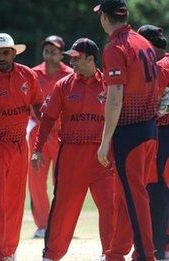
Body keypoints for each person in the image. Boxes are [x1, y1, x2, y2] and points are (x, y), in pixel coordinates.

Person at [31, 38, 115, 260]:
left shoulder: (109, 84)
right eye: (71, 58)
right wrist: (37, 149)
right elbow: (47, 119)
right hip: (71, 155)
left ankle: (111, 254)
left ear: (91, 59)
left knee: (110, 207)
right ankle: (51, 255)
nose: (72, 62)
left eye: (77, 58)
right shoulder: (64, 85)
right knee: (64, 209)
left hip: (103, 156)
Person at [94, 0, 159, 260]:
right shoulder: (142, 41)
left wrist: (105, 140)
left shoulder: (114, 47)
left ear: (105, 18)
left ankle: (145, 255)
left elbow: (116, 96)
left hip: (129, 132)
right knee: (126, 193)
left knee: (134, 197)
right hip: (149, 128)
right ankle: (117, 252)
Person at [0, 33, 44, 260]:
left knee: (16, 199)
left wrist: (45, 126)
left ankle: (10, 250)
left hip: (19, 143)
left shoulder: (27, 75)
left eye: (6, 52)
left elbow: (37, 103)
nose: (2, 57)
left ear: (14, 53)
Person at [28, 35, 73, 238]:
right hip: (38, 132)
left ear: (61, 52)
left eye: (54, 50)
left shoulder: (70, 74)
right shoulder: (33, 74)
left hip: (63, 133)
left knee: (63, 181)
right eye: (47, 49)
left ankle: (61, 223)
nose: (50, 53)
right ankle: (43, 224)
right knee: (36, 181)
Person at [137, 24, 169, 261]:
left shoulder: (159, 67)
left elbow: (155, 108)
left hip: (162, 133)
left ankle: (156, 248)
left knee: (155, 190)